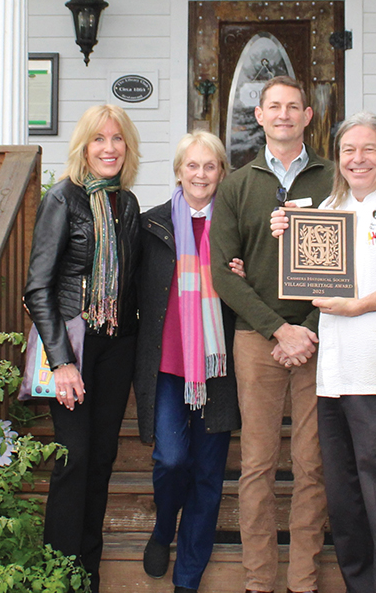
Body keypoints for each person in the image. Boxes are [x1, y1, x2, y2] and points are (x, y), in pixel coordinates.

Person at [269, 111, 376, 593]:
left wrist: (360, 305)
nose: (358, 158)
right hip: (335, 380)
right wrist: (282, 237)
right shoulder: (329, 209)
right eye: (348, 150)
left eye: (369, 148)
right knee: (346, 507)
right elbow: (305, 283)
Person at [209, 75, 332, 593]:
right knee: (257, 466)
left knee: (311, 466)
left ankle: (302, 582)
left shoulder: (333, 180)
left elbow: (350, 267)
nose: (283, 114)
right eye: (273, 107)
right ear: (258, 116)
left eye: (293, 107)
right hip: (258, 340)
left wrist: (307, 329)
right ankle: (259, 582)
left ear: (308, 116)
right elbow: (220, 273)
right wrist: (279, 329)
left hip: (321, 339)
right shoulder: (237, 184)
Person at [22, 104, 141, 593]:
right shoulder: (62, 199)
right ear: (84, 146)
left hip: (116, 348)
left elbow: (136, 278)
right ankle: (58, 577)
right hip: (71, 344)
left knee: (102, 459)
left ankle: (85, 576)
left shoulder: (127, 204)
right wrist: (63, 362)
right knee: (74, 459)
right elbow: (37, 288)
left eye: (117, 139)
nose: (109, 148)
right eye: (99, 139)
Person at [134, 131, 240, 593]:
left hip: (218, 368)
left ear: (221, 172)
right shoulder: (151, 225)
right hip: (168, 366)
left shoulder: (234, 229)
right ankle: (162, 529)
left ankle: (188, 579)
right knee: (172, 460)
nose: (200, 175)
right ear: (178, 171)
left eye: (210, 166)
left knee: (208, 477)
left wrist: (244, 273)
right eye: (192, 166)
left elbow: (257, 287)